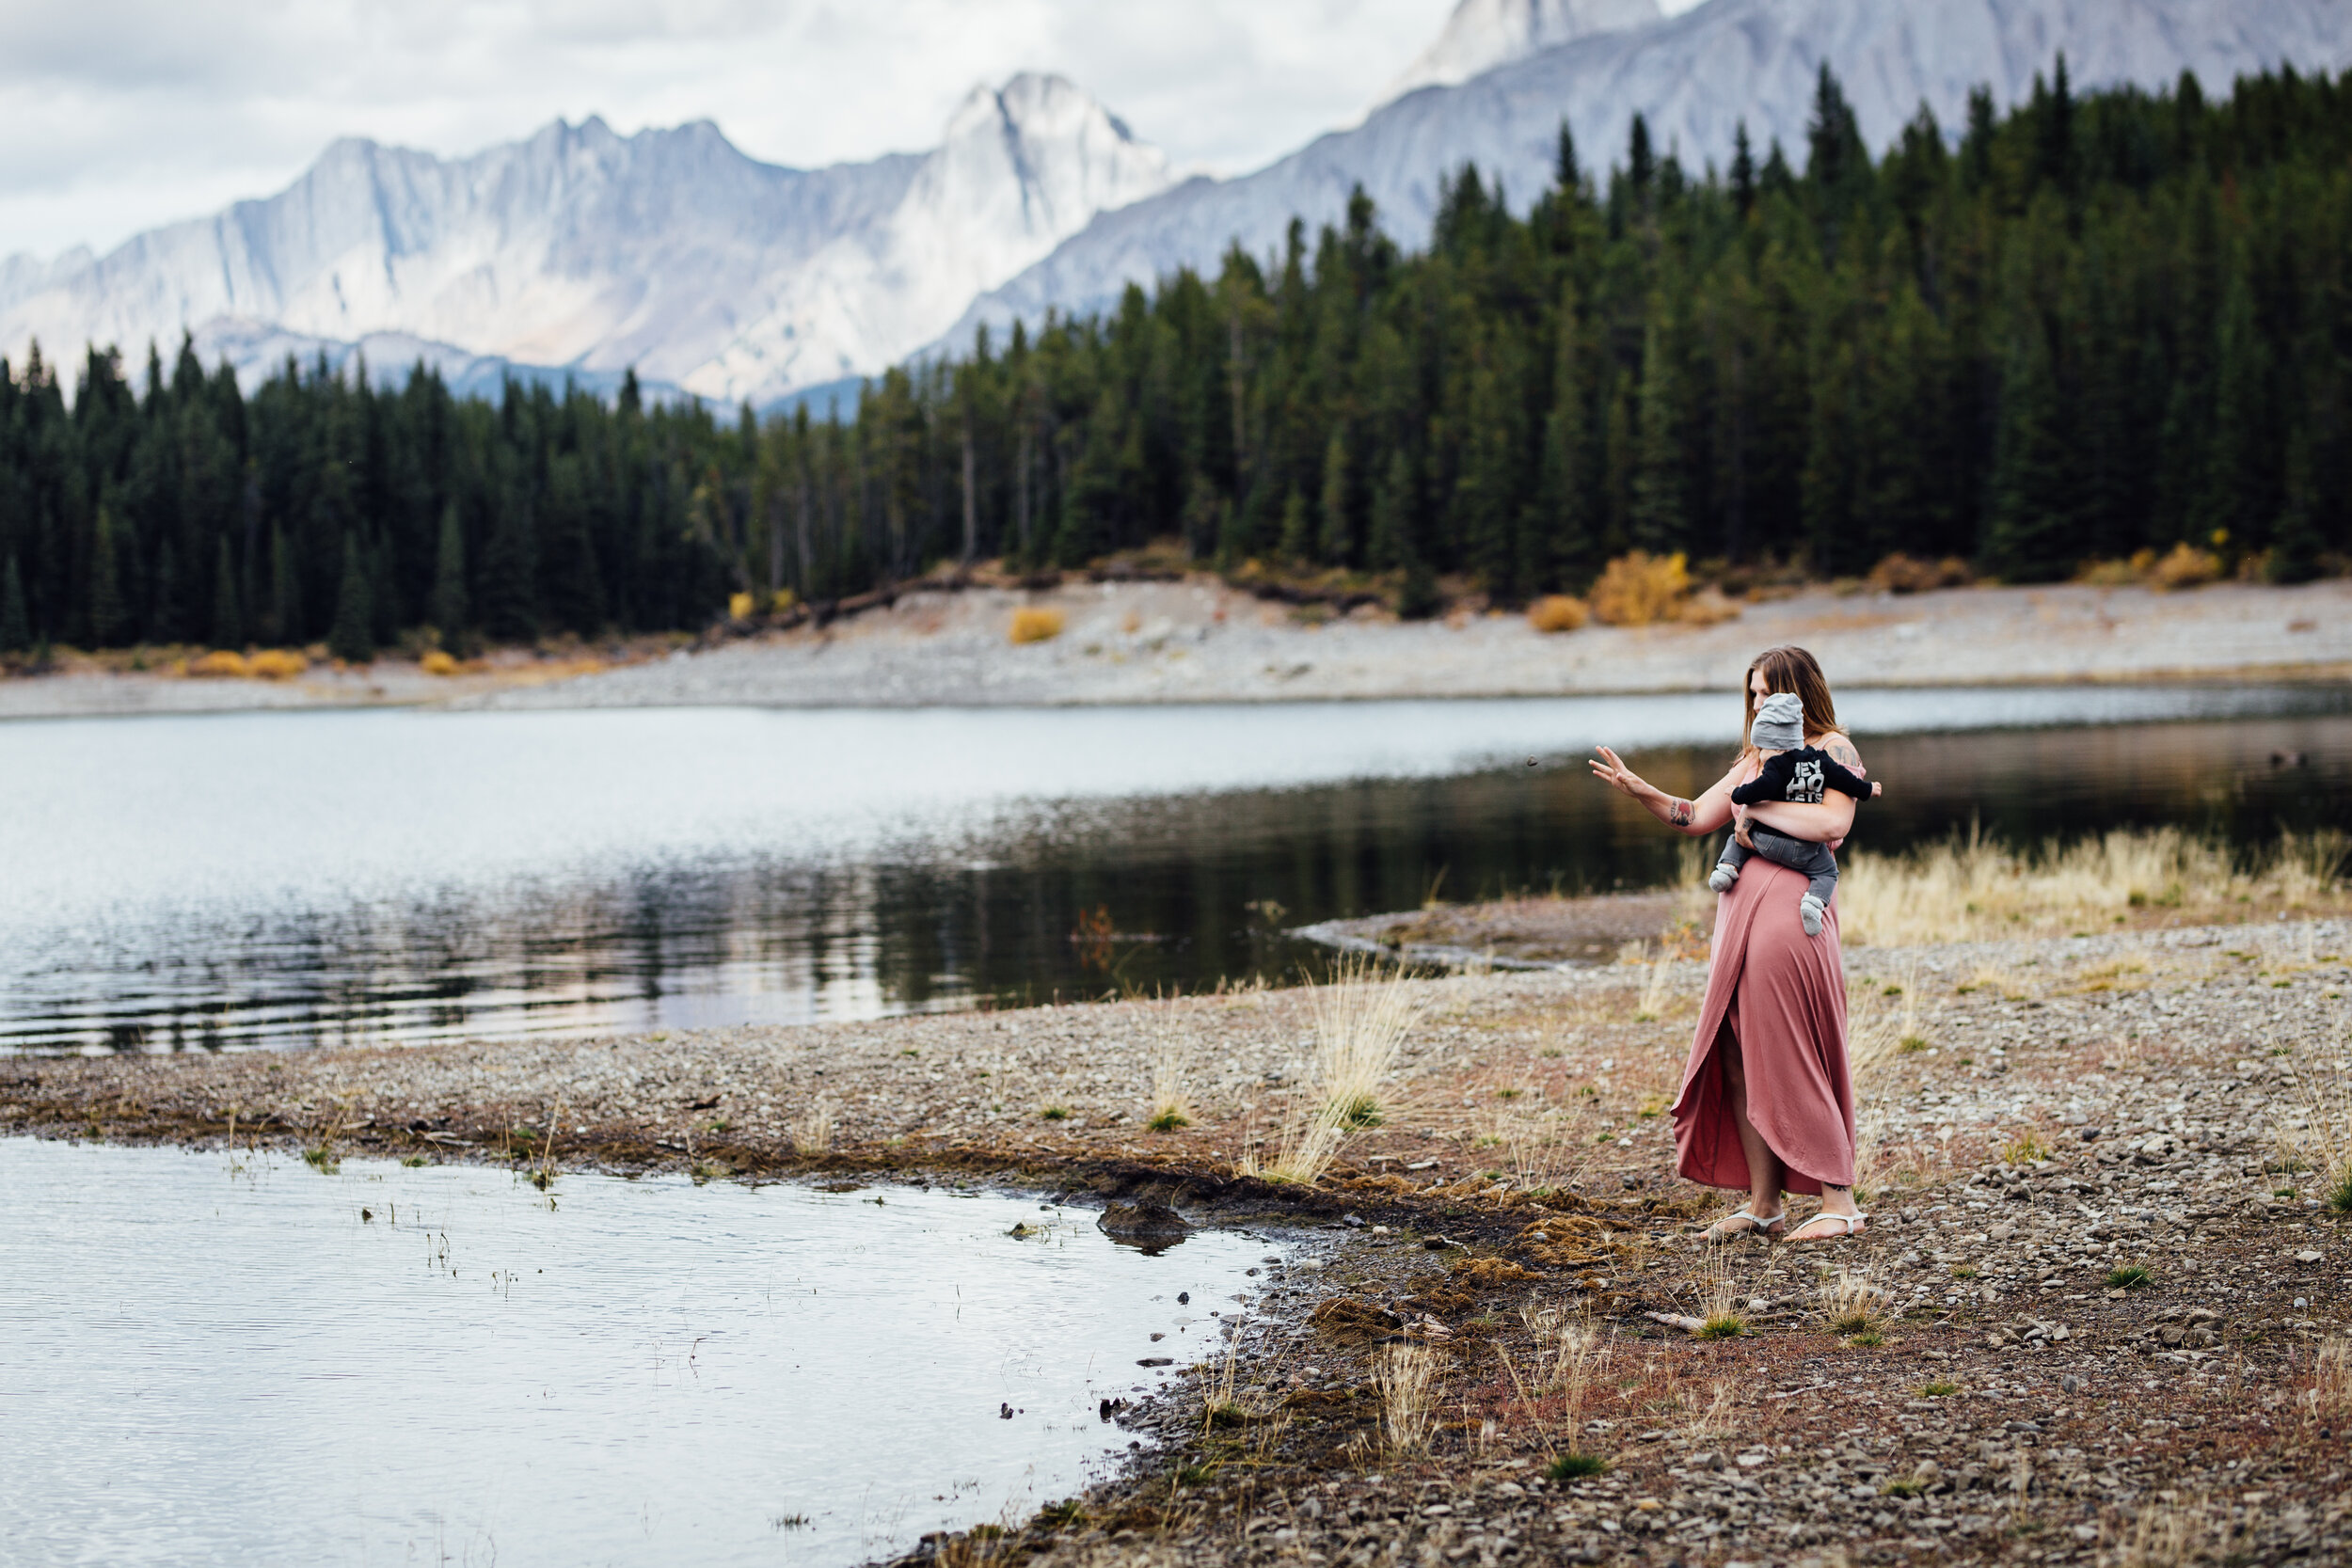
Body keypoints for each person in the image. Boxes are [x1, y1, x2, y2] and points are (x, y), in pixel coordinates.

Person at [1586, 646, 1867, 1243]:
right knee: (1739, 1056)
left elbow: (1832, 825)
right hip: (1739, 915)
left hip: (1793, 918)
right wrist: (1642, 790)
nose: (1757, 703)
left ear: (1798, 692)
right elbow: (1693, 816)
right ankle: (1765, 1204)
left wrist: (1754, 808)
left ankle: (1839, 1201)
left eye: (1766, 692)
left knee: (1789, 1051)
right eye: (1752, 694)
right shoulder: (1753, 757)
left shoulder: (1832, 748)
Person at [1709, 690, 1880, 936]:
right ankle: (1813, 902)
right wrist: (1867, 789)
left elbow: (1760, 789)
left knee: (1736, 840)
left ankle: (1727, 868)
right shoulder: (1820, 760)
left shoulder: (1776, 766)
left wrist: (1737, 794)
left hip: (1764, 841)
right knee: (1828, 872)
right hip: (1805, 849)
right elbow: (1845, 780)